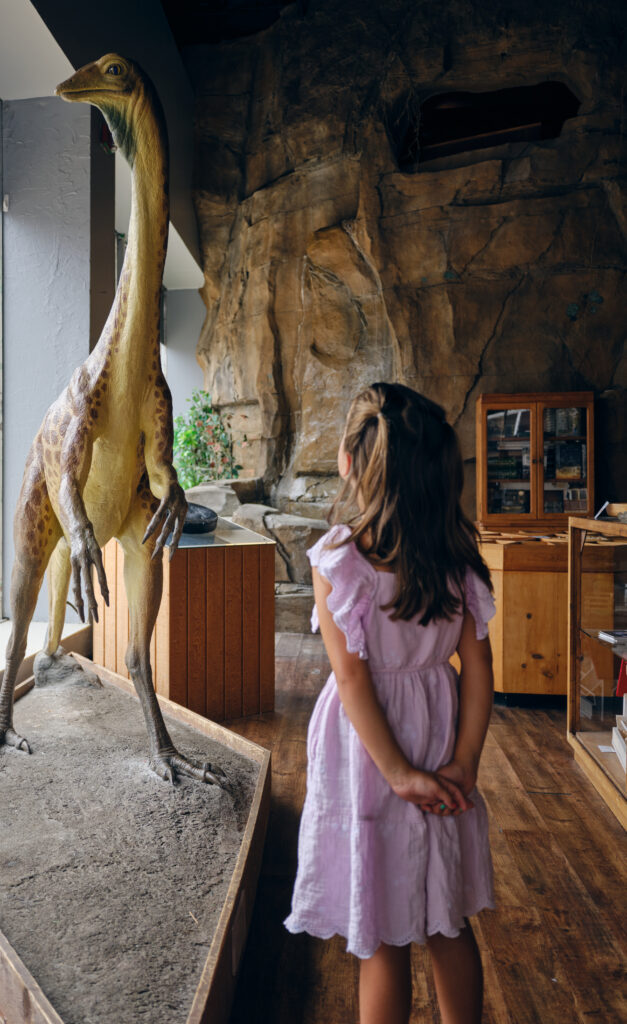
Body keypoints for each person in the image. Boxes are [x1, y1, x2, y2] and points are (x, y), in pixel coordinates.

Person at [284, 382, 496, 1024]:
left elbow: (352, 682)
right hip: (438, 732)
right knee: (447, 919)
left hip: (369, 753)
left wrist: (400, 773)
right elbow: (479, 670)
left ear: (350, 462)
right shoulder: (455, 560)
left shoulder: (338, 562)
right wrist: (464, 762)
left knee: (379, 932)